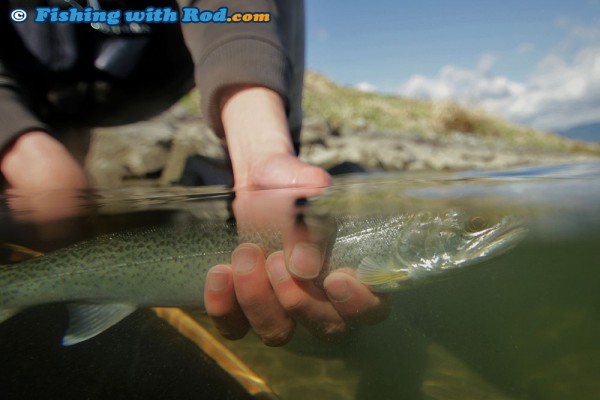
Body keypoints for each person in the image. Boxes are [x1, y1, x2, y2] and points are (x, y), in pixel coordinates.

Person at [0, 0, 388, 346]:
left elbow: (232, 10)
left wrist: (262, 148)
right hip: (22, 62)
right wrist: (21, 144)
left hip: (156, 68)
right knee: (49, 193)